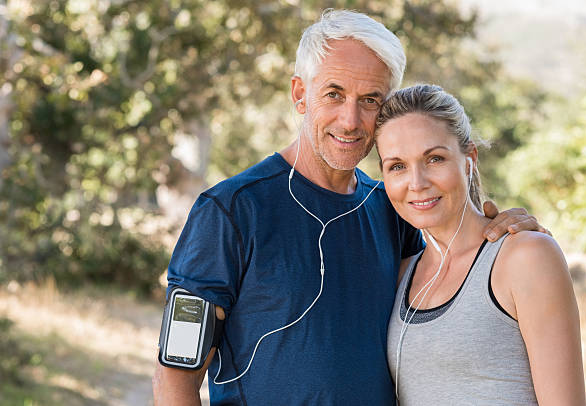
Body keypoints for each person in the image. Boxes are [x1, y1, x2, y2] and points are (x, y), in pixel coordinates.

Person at [153, 10, 546, 405]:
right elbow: (174, 379)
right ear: (300, 94)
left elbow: (457, 269)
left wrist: (504, 234)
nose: (351, 120)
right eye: (334, 94)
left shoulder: (395, 210)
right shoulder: (229, 212)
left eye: (370, 100)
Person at [377, 84, 585, 405]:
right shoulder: (402, 274)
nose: (416, 183)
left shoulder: (525, 256)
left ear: (469, 158)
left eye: (434, 158)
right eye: (397, 166)